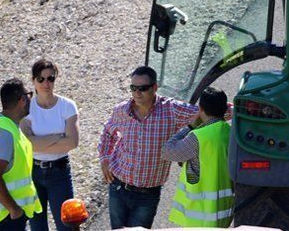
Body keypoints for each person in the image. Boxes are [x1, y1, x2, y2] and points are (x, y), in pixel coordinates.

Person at [98, 66, 230, 229]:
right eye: (133, 88)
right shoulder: (121, 111)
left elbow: (209, 112)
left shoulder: (172, 110)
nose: (137, 93)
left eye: (143, 88)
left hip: (147, 196)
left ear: (155, 87)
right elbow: (107, 132)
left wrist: (233, 108)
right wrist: (104, 158)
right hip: (118, 188)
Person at [0, 79, 43, 230]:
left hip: (7, 218)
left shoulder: (6, 126)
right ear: (22, 100)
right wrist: (14, 209)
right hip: (4, 219)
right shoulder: (4, 134)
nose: (31, 98)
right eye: (29, 95)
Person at [21, 59, 80, 231]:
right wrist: (58, 136)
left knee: (67, 225)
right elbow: (28, 144)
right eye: (41, 79)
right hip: (33, 172)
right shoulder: (26, 107)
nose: (46, 83)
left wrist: (39, 142)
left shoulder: (67, 106)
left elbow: (72, 142)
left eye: (50, 78)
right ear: (33, 80)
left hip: (60, 172)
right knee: (37, 226)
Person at [162, 87, 233, 228]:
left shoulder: (198, 136)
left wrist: (190, 126)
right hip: (224, 212)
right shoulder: (229, 132)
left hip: (201, 214)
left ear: (200, 108)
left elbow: (167, 152)